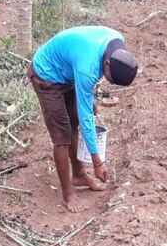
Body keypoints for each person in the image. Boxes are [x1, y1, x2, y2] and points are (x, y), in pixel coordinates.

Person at [28, 25, 138, 212]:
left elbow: (87, 89)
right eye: (109, 79)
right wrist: (97, 161)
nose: (108, 81)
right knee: (62, 136)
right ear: (107, 64)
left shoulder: (116, 43)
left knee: (74, 124)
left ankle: (78, 175)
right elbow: (86, 115)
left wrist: (90, 97)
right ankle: (68, 194)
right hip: (47, 75)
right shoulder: (88, 67)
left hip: (69, 72)